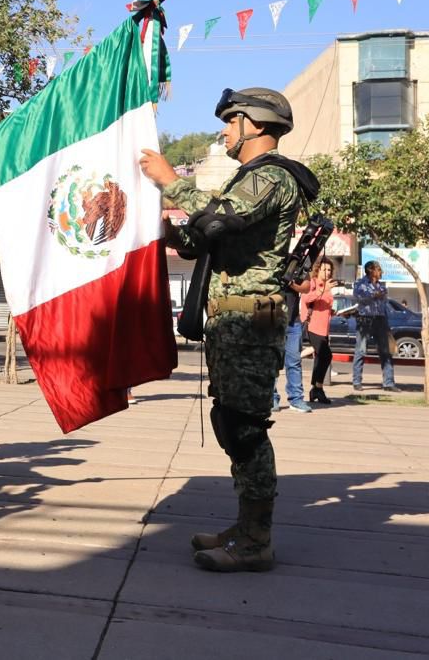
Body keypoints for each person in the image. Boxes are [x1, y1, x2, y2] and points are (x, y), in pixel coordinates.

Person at [140, 87, 319, 573]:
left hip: (249, 320)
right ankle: (245, 527)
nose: (223, 130)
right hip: (232, 321)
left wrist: (171, 181)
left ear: (255, 125)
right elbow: (202, 241)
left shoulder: (271, 177)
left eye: (230, 120)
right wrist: (170, 232)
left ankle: (256, 540)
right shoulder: (248, 179)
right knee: (232, 423)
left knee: (245, 430)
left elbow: (220, 218)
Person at [351, 261, 397, 392]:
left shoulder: (381, 286)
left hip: (380, 319)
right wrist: (373, 295)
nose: (381, 272)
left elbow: (383, 304)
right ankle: (357, 381)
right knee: (361, 350)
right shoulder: (360, 283)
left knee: (385, 352)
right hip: (365, 319)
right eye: (379, 270)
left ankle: (389, 383)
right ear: (371, 270)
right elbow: (358, 298)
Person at [301, 258, 336, 404]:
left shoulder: (328, 285)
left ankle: (316, 390)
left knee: (320, 358)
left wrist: (332, 311)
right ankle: (318, 388)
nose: (327, 273)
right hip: (312, 326)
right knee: (326, 355)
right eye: (324, 269)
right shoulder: (313, 283)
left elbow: (324, 305)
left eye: (329, 270)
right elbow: (306, 298)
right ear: (318, 270)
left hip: (324, 328)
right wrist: (323, 289)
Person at [279, 275, 313, 413]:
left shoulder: (297, 265)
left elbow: (306, 287)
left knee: (294, 362)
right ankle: (272, 399)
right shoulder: (272, 262)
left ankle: (296, 399)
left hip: (293, 322)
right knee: (273, 362)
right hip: (273, 320)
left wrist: (291, 283)